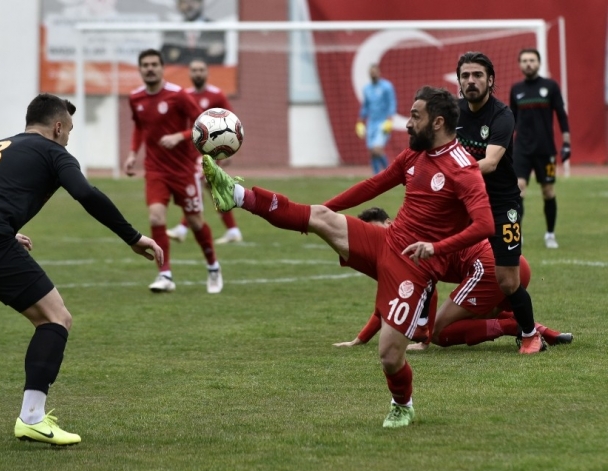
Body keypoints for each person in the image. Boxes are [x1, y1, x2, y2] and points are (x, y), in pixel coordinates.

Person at [203, 86, 495, 428]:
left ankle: (403, 404)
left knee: (388, 356)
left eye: (415, 117)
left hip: (414, 266)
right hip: (385, 241)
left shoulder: (463, 168)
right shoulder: (414, 156)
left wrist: (435, 248)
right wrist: (327, 207)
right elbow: (373, 185)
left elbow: (485, 224)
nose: (407, 124)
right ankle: (236, 194)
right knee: (319, 217)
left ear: (438, 122)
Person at [0, 93, 163, 446]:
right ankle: (33, 418)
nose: (68, 137)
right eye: (68, 130)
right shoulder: (54, 152)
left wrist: (5, 230)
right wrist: (132, 237)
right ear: (57, 127)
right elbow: (86, 193)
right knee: (56, 318)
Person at [333, 208, 572, 350]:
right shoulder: (403, 237)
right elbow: (390, 298)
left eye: (375, 230)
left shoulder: (403, 243)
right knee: (484, 314)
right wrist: (361, 339)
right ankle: (545, 332)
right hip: (513, 264)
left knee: (438, 333)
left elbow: (429, 290)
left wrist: (426, 337)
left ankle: (515, 327)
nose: (374, 237)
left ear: (388, 223)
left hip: (487, 267)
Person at [455, 51, 545, 355]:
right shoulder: (453, 114)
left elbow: (491, 162)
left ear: (490, 80)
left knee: (507, 280)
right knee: (426, 256)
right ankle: (423, 330)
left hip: (501, 205)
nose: (471, 81)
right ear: (458, 81)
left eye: (478, 75)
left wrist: (449, 173)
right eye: (466, 75)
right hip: (463, 202)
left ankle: (531, 334)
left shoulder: (502, 114)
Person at [124, 49, 223, 294]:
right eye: (145, 65)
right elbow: (139, 127)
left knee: (195, 222)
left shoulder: (178, 95)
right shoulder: (135, 97)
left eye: (154, 64)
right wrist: (132, 153)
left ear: (161, 67)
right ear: (140, 69)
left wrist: (180, 136)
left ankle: (213, 267)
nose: (149, 68)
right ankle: (165, 275)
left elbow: (203, 124)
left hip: (183, 170)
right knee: (156, 217)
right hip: (155, 170)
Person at [167, 59, 243, 245]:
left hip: (212, 150)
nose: (198, 73)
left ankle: (182, 228)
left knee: (199, 183)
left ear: (207, 73)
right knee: (211, 188)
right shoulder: (185, 95)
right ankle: (232, 230)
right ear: (190, 73)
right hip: (192, 151)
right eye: (194, 70)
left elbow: (231, 122)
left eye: (201, 69)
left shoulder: (216, 95)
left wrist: (229, 150)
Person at [510, 48, 571, 249]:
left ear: (539, 63)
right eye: (525, 60)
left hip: (546, 150)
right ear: (520, 64)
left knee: (548, 191)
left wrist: (566, 142)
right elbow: (511, 120)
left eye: (532, 60)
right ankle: (517, 233)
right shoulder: (516, 89)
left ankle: (550, 234)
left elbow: (561, 115)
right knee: (518, 190)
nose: (528, 64)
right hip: (521, 150)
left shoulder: (550, 86)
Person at [356, 64, 397, 175]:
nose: (373, 74)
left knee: (377, 149)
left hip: (383, 122)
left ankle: (391, 173)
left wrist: (390, 118)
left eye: (374, 72)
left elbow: (392, 102)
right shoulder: (367, 89)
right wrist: (361, 119)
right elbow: (366, 105)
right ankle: (376, 175)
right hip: (371, 123)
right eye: (371, 72)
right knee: (372, 152)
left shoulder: (387, 87)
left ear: (379, 73)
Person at [161, 0, 226, 65]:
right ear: (179, 5)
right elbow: (166, 57)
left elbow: (217, 58)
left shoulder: (215, 29)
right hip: (178, 73)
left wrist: (181, 53)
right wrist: (203, 52)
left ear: (201, 3)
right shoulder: (172, 31)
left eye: (193, 1)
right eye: (184, 2)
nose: (189, 6)